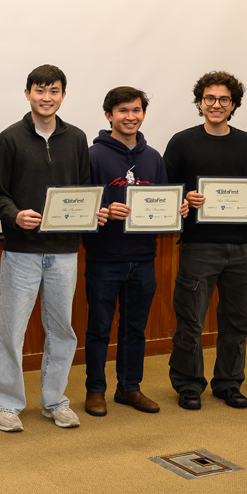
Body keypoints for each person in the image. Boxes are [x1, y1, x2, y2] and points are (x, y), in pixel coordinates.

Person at [0, 65, 100, 432]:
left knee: (62, 329)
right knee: (12, 329)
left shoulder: (77, 138)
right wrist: (14, 215)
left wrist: (89, 212)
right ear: (27, 93)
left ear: (63, 95)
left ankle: (55, 401)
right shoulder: (9, 140)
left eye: (54, 91)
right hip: (22, 250)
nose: (46, 97)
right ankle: (5, 403)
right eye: (40, 90)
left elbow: (82, 189)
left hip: (65, 251)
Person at [163, 72, 247, 411]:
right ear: (200, 102)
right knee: (190, 320)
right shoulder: (182, 142)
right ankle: (189, 384)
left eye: (224, 100)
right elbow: (166, 191)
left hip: (242, 246)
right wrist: (186, 197)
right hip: (199, 244)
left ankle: (228, 383)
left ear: (234, 104)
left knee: (238, 320)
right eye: (210, 99)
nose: (216, 105)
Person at [82, 86, 185, 417]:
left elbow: (163, 202)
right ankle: (95, 390)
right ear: (109, 115)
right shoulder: (93, 156)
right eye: (123, 111)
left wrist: (176, 211)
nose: (130, 117)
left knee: (135, 328)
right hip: (104, 258)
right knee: (99, 328)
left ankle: (129, 387)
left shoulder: (153, 157)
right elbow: (80, 205)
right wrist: (105, 209)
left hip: (143, 258)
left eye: (136, 110)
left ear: (143, 114)